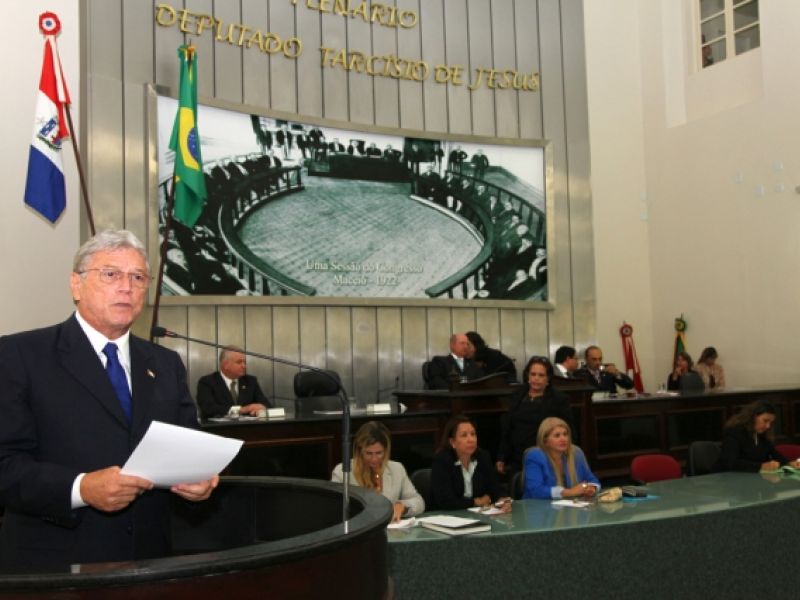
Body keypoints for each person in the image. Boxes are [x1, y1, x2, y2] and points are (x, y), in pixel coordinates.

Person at [0, 229, 218, 568]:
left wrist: (199, 480)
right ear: (76, 285)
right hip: (58, 565)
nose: (126, 287)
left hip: (150, 563)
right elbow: (6, 464)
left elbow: (186, 447)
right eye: (111, 274)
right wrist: (81, 488)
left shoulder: (165, 363)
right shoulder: (19, 355)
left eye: (138, 277)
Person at [331, 421, 424, 522]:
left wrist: (402, 507)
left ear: (386, 450)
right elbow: (334, 508)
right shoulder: (343, 472)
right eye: (369, 453)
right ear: (359, 451)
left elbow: (419, 502)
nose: (374, 459)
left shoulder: (397, 468)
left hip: (391, 529)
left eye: (379, 453)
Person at [495, 356, 573, 475]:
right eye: (533, 374)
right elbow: (508, 428)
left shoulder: (559, 399)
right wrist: (502, 456)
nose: (536, 378)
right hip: (517, 457)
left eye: (541, 375)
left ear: (548, 378)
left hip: (546, 457)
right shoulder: (517, 395)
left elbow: (569, 429)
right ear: (528, 376)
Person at [430, 415, 511, 511]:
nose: (471, 440)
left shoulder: (482, 457)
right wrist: (475, 502)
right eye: (464, 435)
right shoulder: (442, 460)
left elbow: (495, 488)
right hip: (448, 516)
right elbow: (446, 501)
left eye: (473, 434)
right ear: (452, 442)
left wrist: (502, 500)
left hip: (479, 515)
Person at [522, 417, 600, 500]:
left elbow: (592, 480)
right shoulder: (535, 456)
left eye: (565, 434)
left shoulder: (576, 453)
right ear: (545, 441)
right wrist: (569, 492)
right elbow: (536, 490)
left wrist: (592, 488)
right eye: (557, 435)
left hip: (571, 506)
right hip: (538, 506)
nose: (563, 439)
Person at [718, 401, 796, 473]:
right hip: (727, 478)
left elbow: (774, 454)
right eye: (765, 421)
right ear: (753, 417)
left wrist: (789, 463)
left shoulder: (762, 435)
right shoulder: (734, 432)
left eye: (770, 422)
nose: (768, 426)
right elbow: (730, 462)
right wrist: (761, 466)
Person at [196, 346, 271, 419]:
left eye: (244, 362)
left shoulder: (250, 381)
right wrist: (243, 409)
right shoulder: (207, 382)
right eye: (239, 362)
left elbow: (266, 405)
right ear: (225, 365)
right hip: (217, 427)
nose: (244, 366)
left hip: (248, 426)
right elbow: (208, 408)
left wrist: (260, 409)